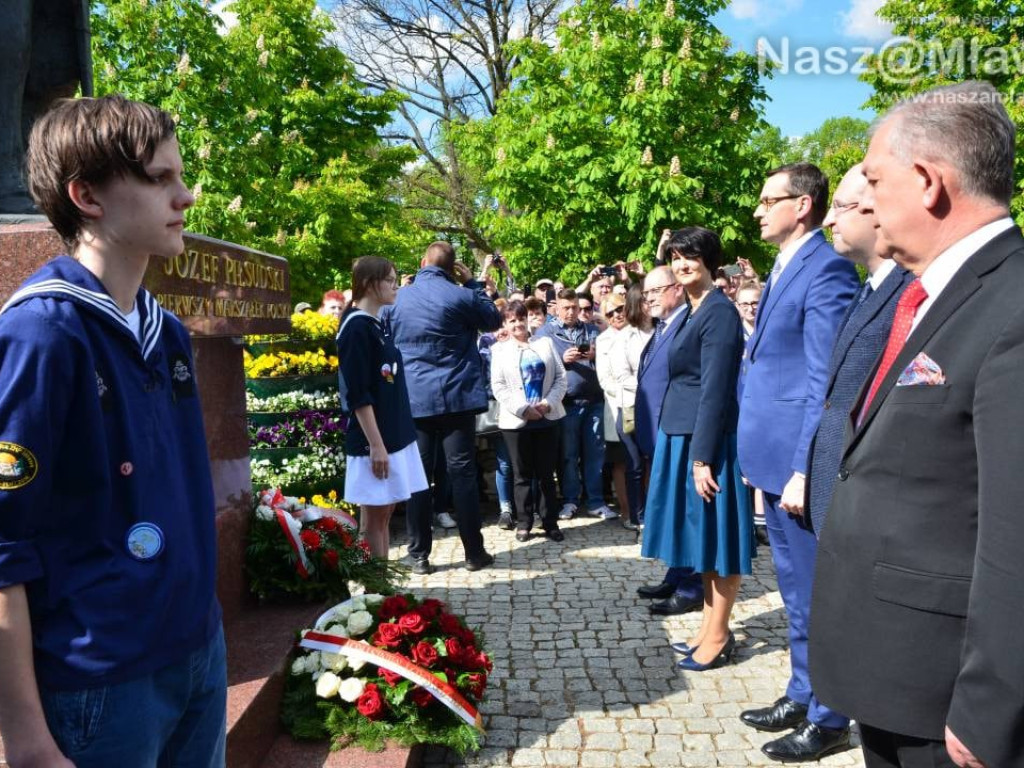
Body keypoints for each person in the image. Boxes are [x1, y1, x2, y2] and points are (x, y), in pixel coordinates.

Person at [0, 94, 224, 767]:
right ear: (87, 197)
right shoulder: (40, 334)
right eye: (160, 179)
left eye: (181, 176)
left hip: (197, 654)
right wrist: (23, 737)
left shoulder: (169, 331)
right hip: (100, 683)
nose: (185, 196)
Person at [810, 80, 1024, 768]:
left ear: (929, 181)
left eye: (874, 179)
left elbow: (1016, 531)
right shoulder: (939, 292)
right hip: (897, 673)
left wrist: (994, 706)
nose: (867, 200)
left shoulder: (1012, 307)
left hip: (949, 700)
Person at [736, 162, 859, 761]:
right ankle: (803, 690)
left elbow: (824, 382)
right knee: (792, 588)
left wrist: (804, 466)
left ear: (803, 204)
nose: (758, 210)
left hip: (796, 466)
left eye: (768, 199)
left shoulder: (828, 269)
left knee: (814, 590)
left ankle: (831, 714)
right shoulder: (788, 265)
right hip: (772, 459)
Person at [641, 230, 751, 671]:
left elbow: (716, 390)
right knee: (702, 541)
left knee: (718, 540)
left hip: (705, 441)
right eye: (677, 256)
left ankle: (720, 633)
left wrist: (702, 458)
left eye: (692, 256)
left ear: (709, 260)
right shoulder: (692, 308)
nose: (683, 262)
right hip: (681, 433)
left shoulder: (719, 312)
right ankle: (708, 626)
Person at [380, 244, 500, 574]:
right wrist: (473, 284)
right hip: (456, 398)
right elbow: (493, 319)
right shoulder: (461, 295)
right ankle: (474, 553)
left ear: (421, 264)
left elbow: (383, 339)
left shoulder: (398, 298)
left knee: (419, 477)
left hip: (414, 399)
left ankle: (418, 555)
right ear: (452, 268)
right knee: (462, 474)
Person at [805, 164, 911, 538]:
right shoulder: (870, 289)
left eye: (839, 206)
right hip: (835, 493)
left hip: (866, 506)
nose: (829, 220)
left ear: (876, 209)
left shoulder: (910, 293)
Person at [337, 257, 428, 558]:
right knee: (375, 518)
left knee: (385, 513)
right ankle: (377, 592)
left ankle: (382, 590)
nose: (395, 285)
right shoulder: (356, 328)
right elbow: (358, 395)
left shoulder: (375, 324)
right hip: (375, 442)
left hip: (394, 434)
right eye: (389, 279)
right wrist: (376, 445)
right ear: (368, 283)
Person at [633, 266, 704, 616]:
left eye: (655, 291)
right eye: (646, 294)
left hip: (679, 432)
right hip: (658, 431)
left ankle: (693, 585)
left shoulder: (689, 323)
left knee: (687, 511)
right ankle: (677, 573)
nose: (649, 300)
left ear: (677, 289)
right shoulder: (664, 326)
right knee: (674, 510)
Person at [533, 288, 615, 520]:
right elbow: (537, 366)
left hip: (594, 401)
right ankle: (570, 500)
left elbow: (608, 360)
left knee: (595, 454)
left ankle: (596, 501)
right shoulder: (544, 333)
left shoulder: (591, 330)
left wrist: (595, 355)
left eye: (575, 308)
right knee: (568, 456)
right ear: (556, 308)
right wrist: (562, 359)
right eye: (566, 308)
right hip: (566, 403)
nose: (571, 312)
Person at [490, 301, 567, 543]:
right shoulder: (499, 350)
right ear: (505, 323)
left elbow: (561, 378)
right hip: (516, 420)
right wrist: (523, 409)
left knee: (546, 473)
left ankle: (550, 522)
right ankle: (524, 523)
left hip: (547, 416)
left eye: (520, 318)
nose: (517, 323)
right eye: (511, 320)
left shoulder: (544, 343)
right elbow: (498, 387)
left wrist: (547, 404)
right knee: (521, 474)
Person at [608, 284, 652, 531]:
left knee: (656, 463)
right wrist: (650, 382)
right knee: (634, 464)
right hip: (631, 408)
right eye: (646, 300)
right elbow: (620, 376)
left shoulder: (662, 331)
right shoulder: (624, 337)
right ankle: (637, 515)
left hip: (660, 408)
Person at [595, 293, 632, 528]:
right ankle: (627, 511)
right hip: (616, 407)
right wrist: (626, 395)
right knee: (621, 461)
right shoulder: (603, 340)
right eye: (610, 312)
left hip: (643, 406)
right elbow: (604, 379)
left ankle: (646, 508)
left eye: (620, 309)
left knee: (645, 459)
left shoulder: (641, 332)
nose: (617, 315)